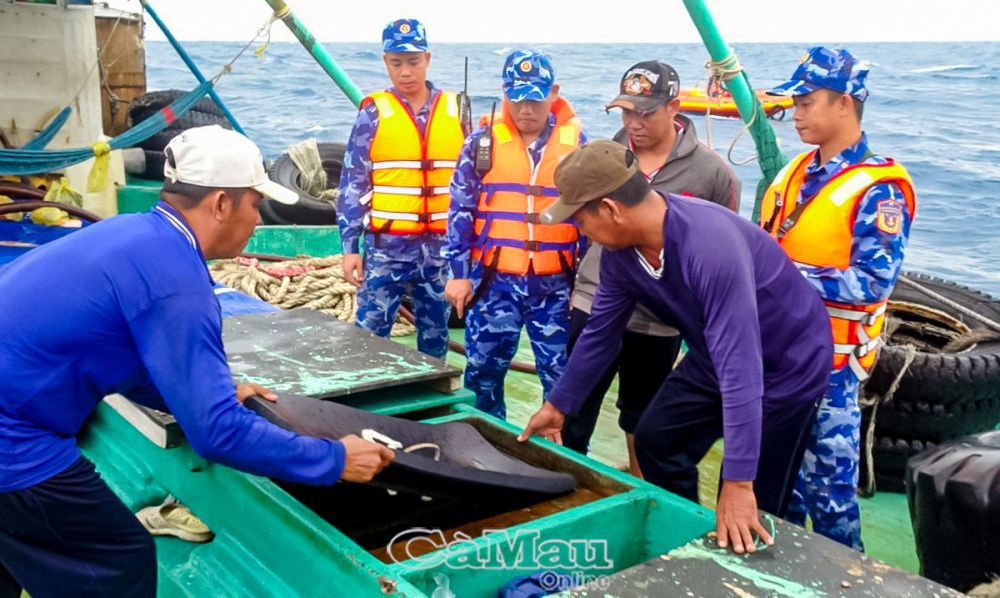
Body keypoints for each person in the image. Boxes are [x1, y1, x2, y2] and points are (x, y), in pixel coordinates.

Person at [0, 126, 395, 597]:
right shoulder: (177, 282)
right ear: (222, 204)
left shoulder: (130, 232)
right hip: (14, 442)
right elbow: (217, 434)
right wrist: (334, 460)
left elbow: (122, 353)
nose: (258, 220)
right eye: (254, 204)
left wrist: (212, 393)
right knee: (116, 559)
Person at [520, 140, 832, 554]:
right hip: (713, 355)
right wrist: (558, 406)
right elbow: (601, 333)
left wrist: (740, 482)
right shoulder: (620, 255)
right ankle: (691, 536)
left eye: (579, 220)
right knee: (655, 439)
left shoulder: (709, 246)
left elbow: (742, 369)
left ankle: (745, 556)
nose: (579, 231)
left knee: (751, 500)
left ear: (611, 210)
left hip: (786, 365)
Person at [761, 47, 916, 551]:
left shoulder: (880, 189)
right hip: (778, 355)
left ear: (845, 103)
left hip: (831, 366)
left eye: (807, 102)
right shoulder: (796, 172)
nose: (796, 113)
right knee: (778, 489)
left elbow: (873, 282)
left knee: (830, 497)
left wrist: (778, 276)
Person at [561, 61, 741, 476]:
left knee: (643, 416)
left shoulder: (713, 172)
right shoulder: (603, 157)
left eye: (645, 112)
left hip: (660, 319)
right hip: (596, 298)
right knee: (574, 404)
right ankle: (567, 482)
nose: (634, 123)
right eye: (627, 113)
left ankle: (644, 488)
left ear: (674, 107)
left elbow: (722, 246)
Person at [442, 49, 587, 419]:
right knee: (483, 374)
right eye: (518, 98)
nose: (526, 109)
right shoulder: (481, 143)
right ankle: (487, 443)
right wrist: (459, 276)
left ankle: (562, 453)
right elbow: (460, 209)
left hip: (555, 285)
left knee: (561, 379)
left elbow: (591, 219)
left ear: (553, 93)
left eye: (535, 99)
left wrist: (583, 287)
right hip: (493, 283)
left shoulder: (578, 145)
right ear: (505, 92)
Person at [337, 18, 464, 359]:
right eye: (396, 63)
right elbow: (353, 182)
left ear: (427, 58)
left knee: (436, 337)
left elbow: (470, 187)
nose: (405, 72)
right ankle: (364, 399)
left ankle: (432, 399)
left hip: (440, 250)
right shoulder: (373, 113)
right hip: (387, 249)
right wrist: (350, 247)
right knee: (369, 333)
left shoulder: (457, 110)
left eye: (412, 61)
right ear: (385, 63)